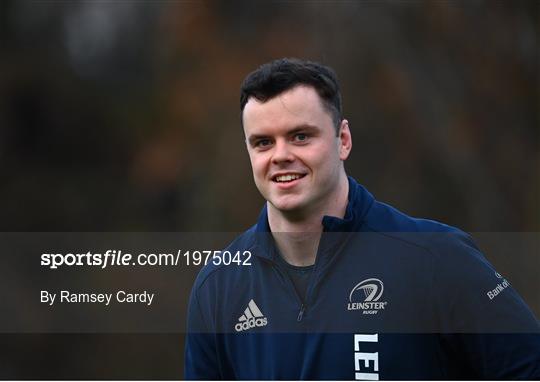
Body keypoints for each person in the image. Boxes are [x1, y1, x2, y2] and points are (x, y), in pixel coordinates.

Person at [184, 58, 540, 380]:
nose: (281, 156)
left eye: (300, 136)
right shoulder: (219, 285)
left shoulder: (436, 258)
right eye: (263, 143)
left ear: (343, 139)